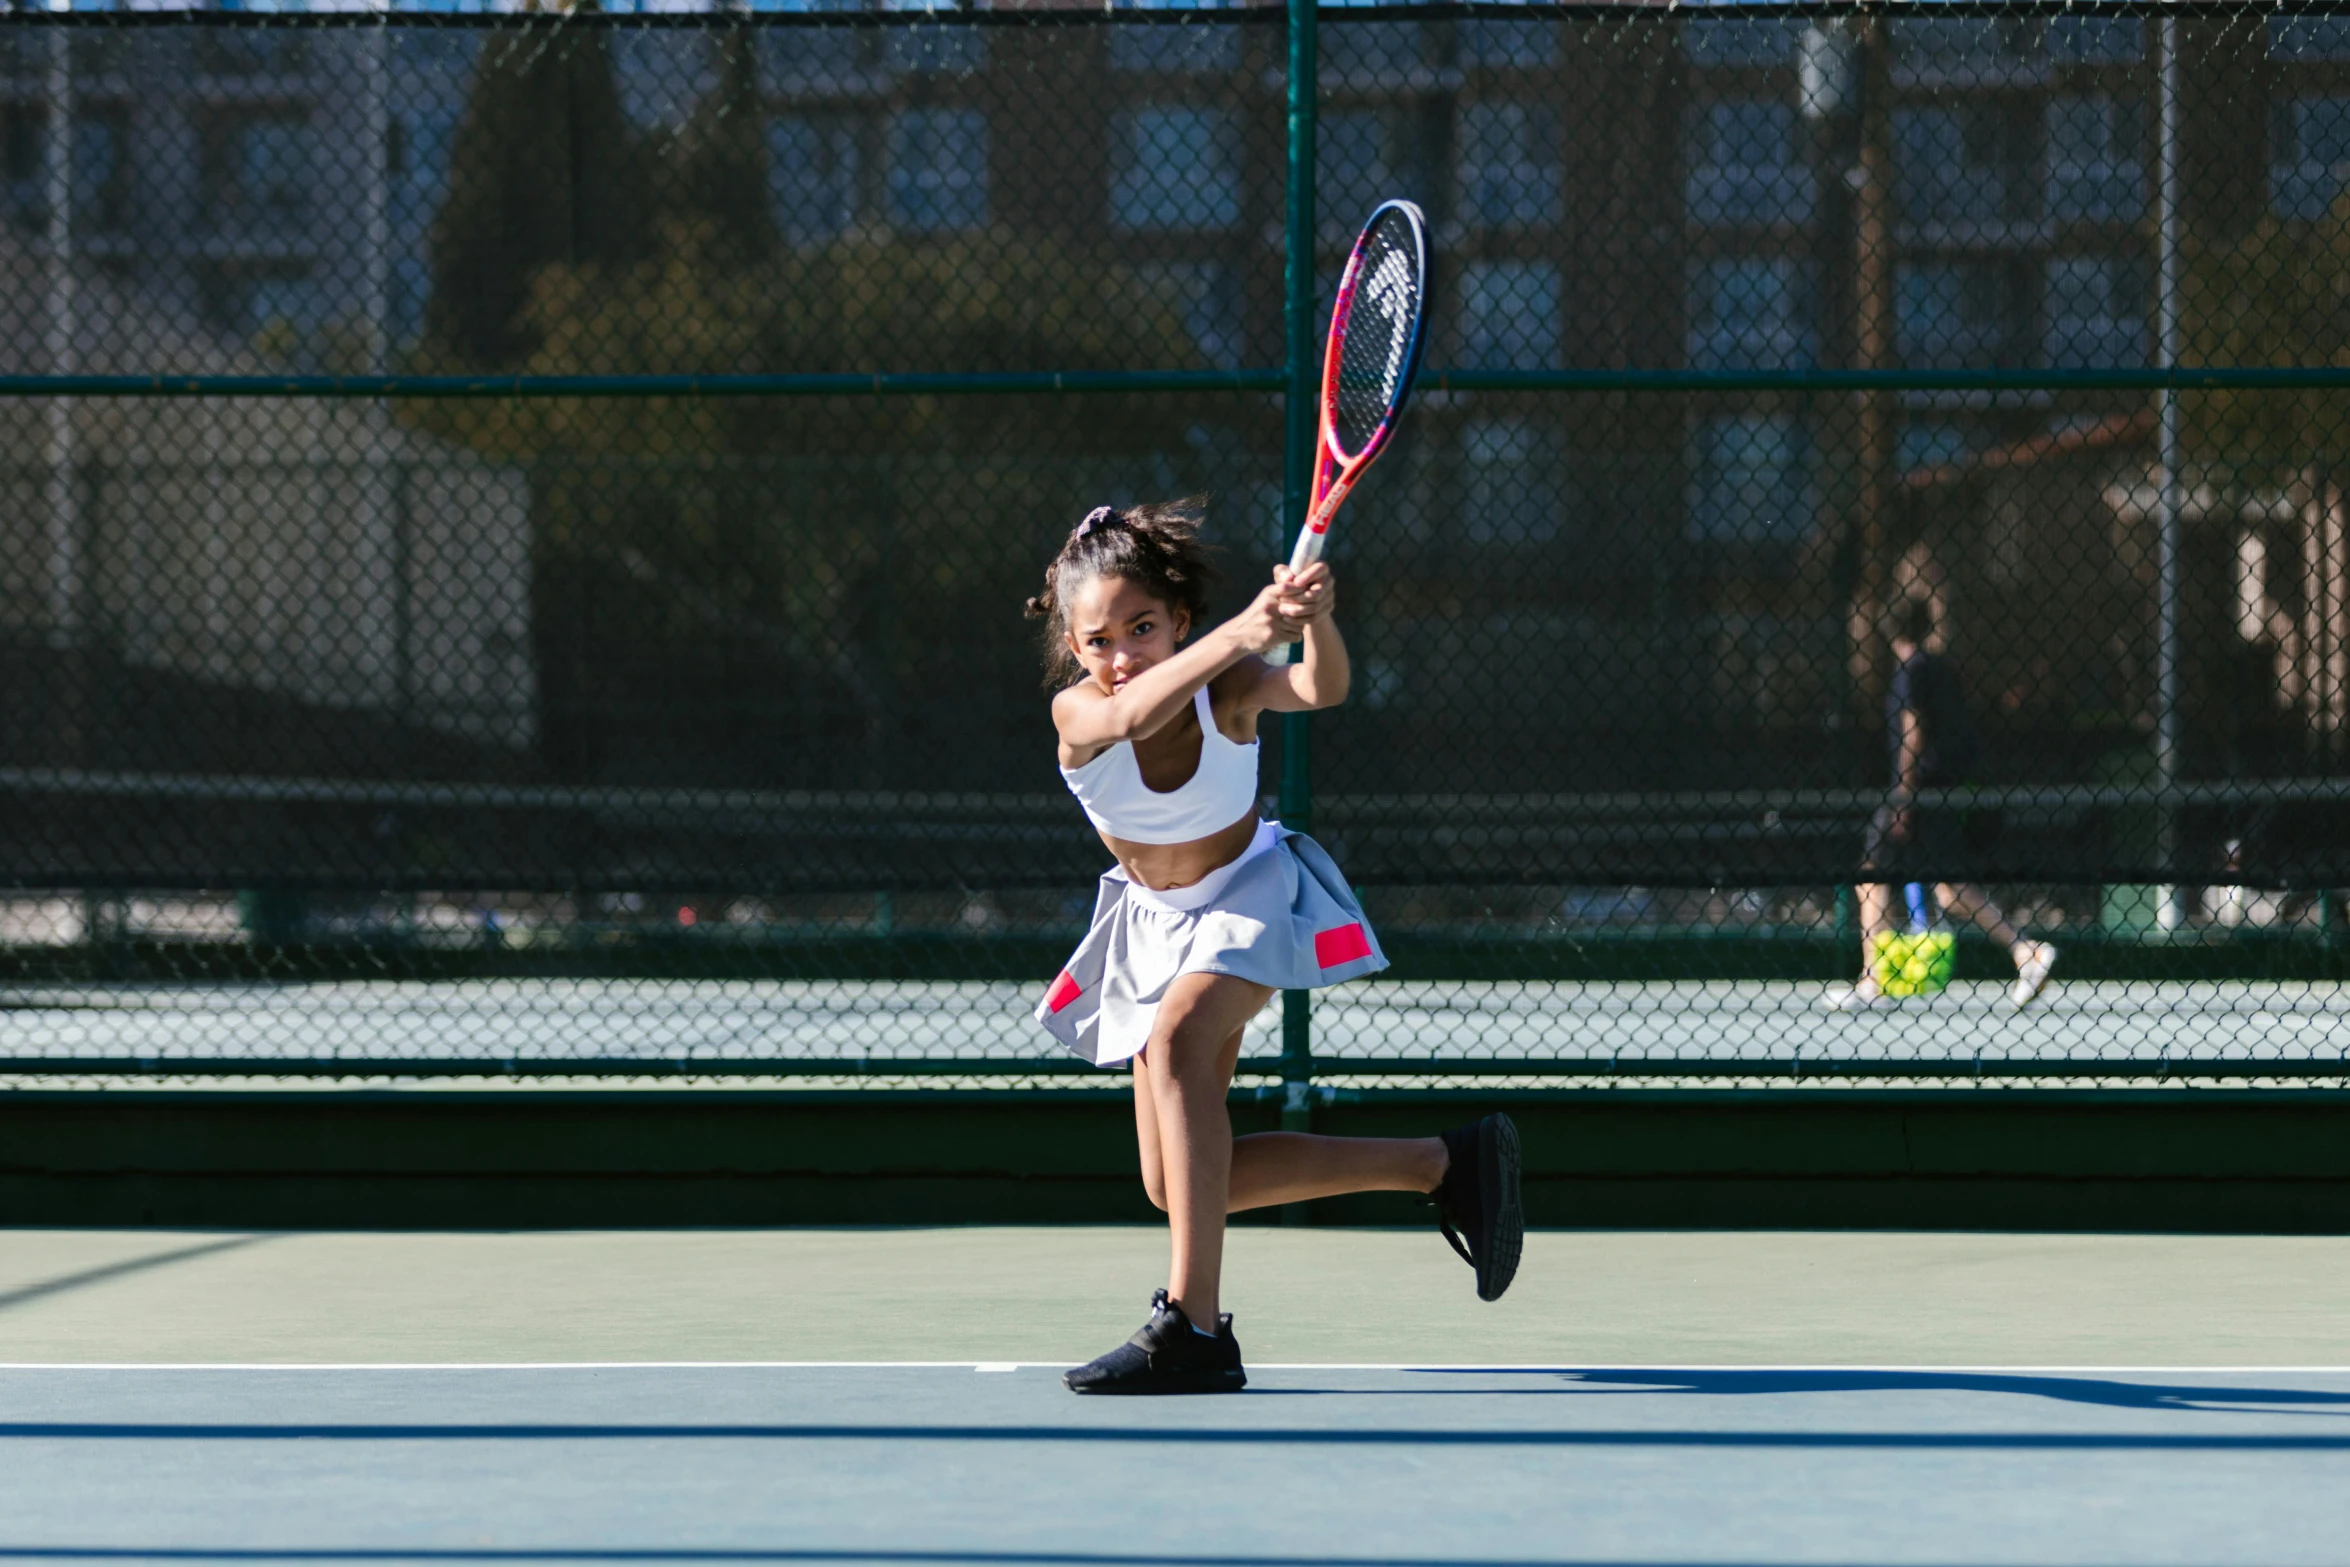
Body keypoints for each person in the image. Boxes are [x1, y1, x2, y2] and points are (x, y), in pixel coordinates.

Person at [1026, 500, 1522, 1395]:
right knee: (1175, 1187)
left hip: (1250, 893)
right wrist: (1244, 628)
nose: (1123, 654)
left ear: (1179, 615)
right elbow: (1135, 713)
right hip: (1151, 923)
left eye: (1143, 627)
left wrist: (1312, 619)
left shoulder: (1233, 687)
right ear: (1073, 645)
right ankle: (1444, 1163)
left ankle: (1195, 1327)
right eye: (1098, 640)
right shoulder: (1079, 711)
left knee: (1177, 1043)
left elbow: (1320, 688)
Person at [1829, 599, 2056, 1011]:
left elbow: (1913, 734)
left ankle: (1872, 980)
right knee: (1949, 889)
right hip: (1945, 789)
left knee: (1871, 874)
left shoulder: (1909, 671)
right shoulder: (1943, 669)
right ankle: (2027, 953)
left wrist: (1903, 797)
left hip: (1920, 790)